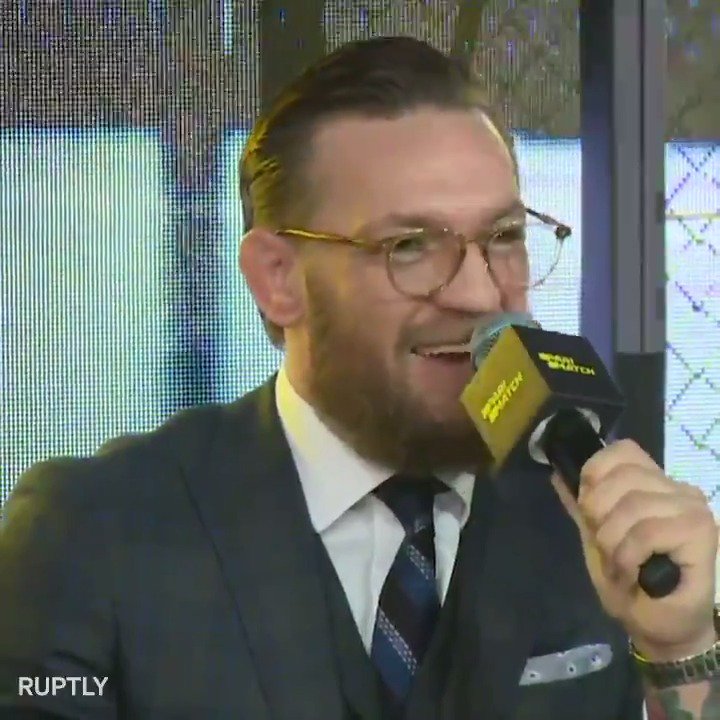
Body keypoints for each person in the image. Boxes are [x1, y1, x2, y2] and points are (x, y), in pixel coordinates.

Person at [0, 36, 718, 720]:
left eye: (503, 237)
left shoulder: (590, 517)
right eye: (410, 246)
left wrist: (680, 646)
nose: (480, 294)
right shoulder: (91, 533)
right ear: (277, 279)